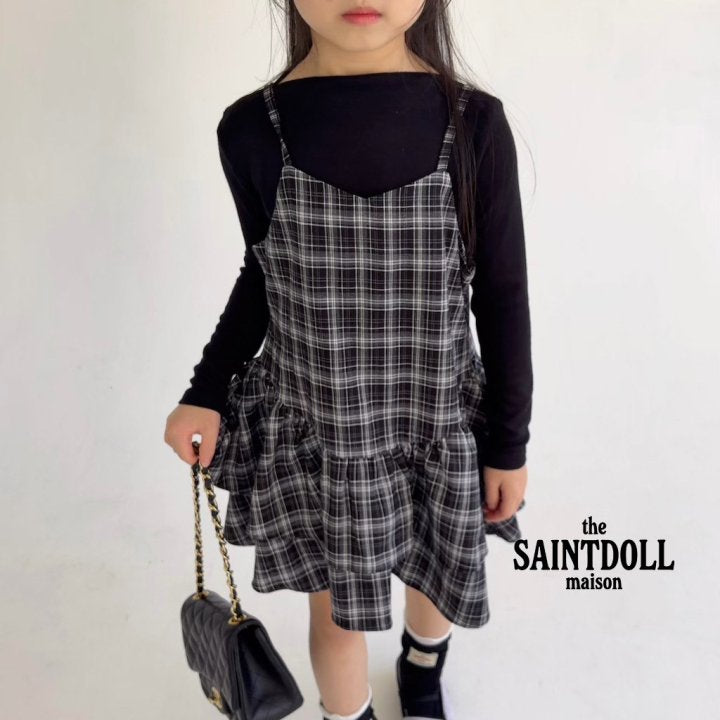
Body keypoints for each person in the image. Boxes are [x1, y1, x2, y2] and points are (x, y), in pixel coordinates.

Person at [165, 2, 533, 719]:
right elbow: (264, 273)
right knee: (335, 613)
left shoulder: (474, 124)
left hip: (434, 422)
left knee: (435, 574)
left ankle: (421, 669)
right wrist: (204, 389)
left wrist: (508, 444)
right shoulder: (252, 130)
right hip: (322, 434)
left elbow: (503, 292)